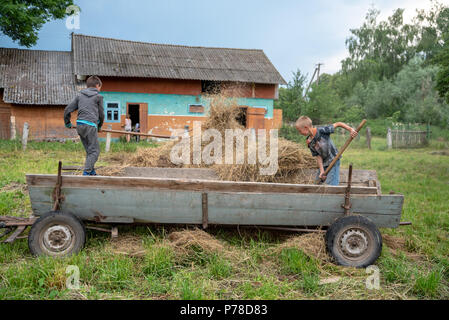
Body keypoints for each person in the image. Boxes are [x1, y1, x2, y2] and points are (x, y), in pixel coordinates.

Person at [295, 116, 357, 185]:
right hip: (323, 164)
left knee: (331, 185)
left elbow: (338, 124)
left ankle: (333, 194)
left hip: (333, 160)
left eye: (299, 130)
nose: (299, 132)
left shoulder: (322, 131)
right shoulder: (309, 142)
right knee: (317, 184)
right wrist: (322, 171)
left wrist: (351, 129)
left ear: (306, 128)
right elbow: (318, 156)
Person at [64, 76, 104, 176]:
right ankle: (86, 173)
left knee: (90, 151)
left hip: (80, 126)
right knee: (95, 151)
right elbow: (101, 114)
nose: (100, 89)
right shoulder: (98, 97)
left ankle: (91, 172)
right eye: (100, 87)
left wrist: (67, 123)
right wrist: (99, 126)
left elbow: (67, 109)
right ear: (97, 85)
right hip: (90, 125)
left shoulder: (79, 96)